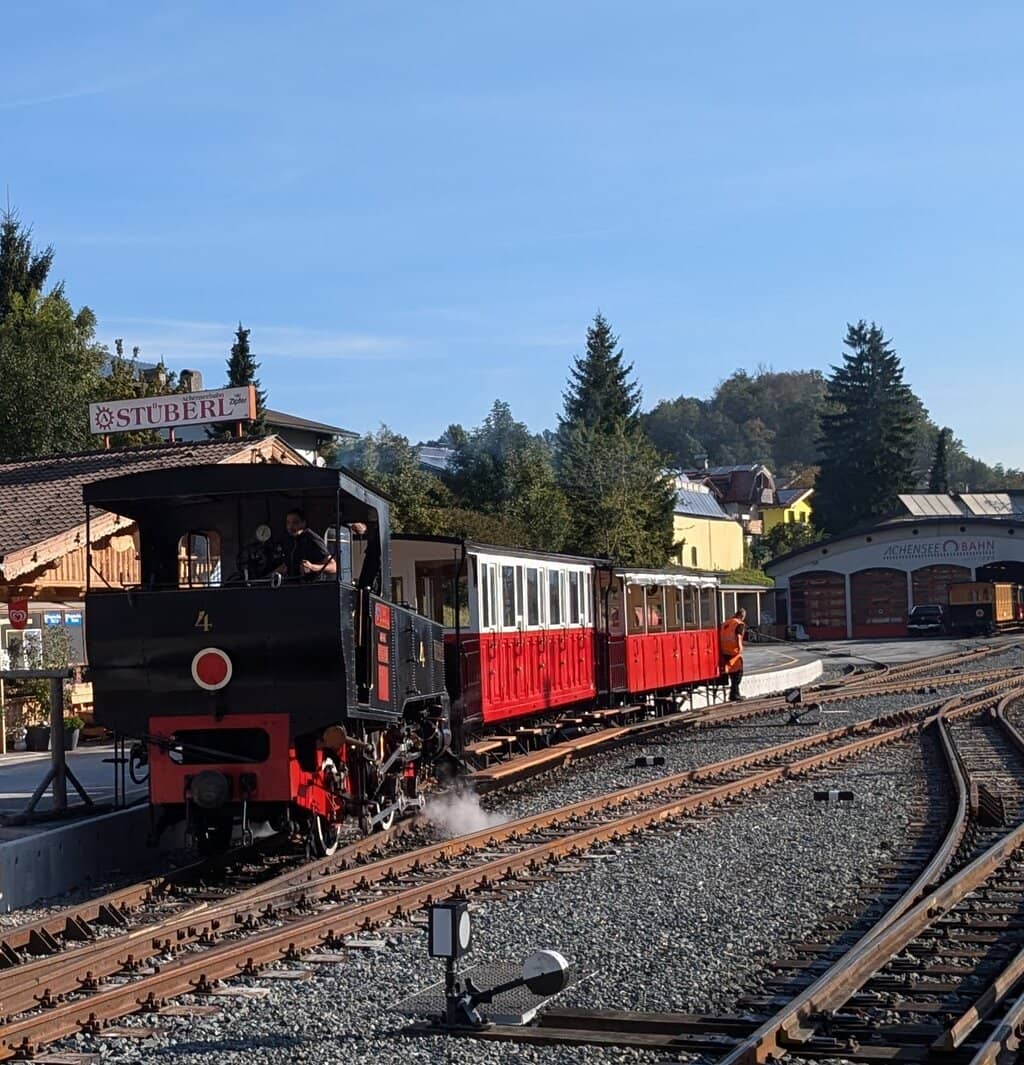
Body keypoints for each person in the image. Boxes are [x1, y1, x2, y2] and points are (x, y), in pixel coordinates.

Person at [275, 508, 337, 581]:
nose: (290, 526)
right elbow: (285, 566)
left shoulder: (312, 539)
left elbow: (334, 567)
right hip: (291, 587)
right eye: (288, 523)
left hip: (310, 588)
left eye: (295, 522)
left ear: (303, 523)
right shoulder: (289, 541)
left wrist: (312, 567)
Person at [719, 607, 747, 701]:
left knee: (732, 672)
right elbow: (738, 636)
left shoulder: (726, 623)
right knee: (738, 673)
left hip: (724, 651)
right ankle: (734, 694)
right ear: (741, 615)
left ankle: (734, 693)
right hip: (733, 651)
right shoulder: (739, 624)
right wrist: (740, 648)